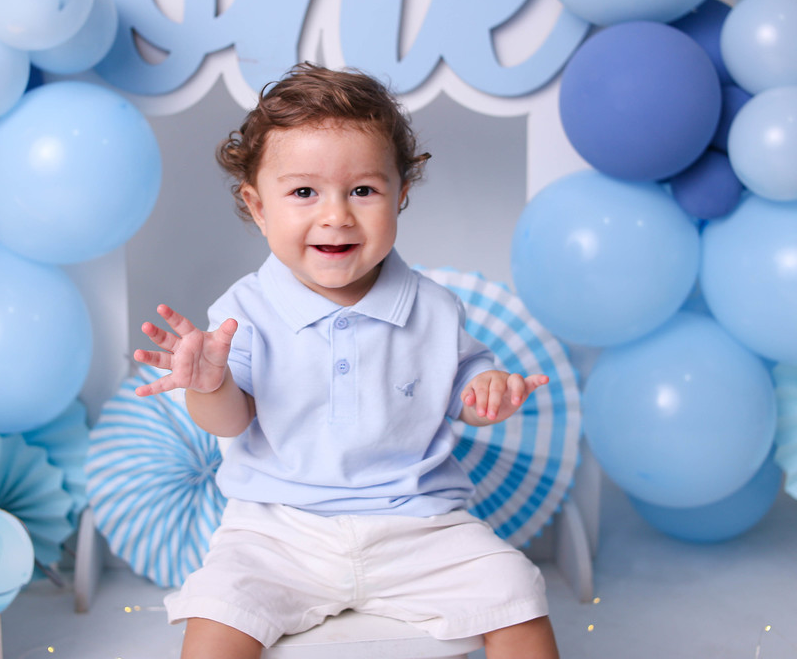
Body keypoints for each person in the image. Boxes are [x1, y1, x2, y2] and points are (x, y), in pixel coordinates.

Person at [133, 63, 560, 659]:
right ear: (258, 206)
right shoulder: (242, 311)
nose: (336, 215)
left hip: (420, 525)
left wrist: (488, 391)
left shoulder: (434, 308)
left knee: (516, 592)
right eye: (304, 192)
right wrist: (210, 384)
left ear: (400, 195)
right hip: (278, 530)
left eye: (363, 190)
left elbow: (465, 388)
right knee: (217, 612)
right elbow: (230, 421)